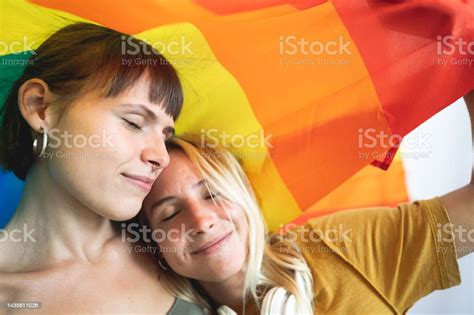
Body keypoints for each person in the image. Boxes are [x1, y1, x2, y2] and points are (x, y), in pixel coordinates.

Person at [141, 93, 474, 314]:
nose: (201, 221)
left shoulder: (342, 248)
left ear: (246, 195)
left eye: (213, 193)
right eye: (169, 215)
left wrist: (464, 55)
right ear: (155, 244)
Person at [0, 22, 184, 313]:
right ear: (39, 107)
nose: (162, 157)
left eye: (165, 136)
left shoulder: (176, 243)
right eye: (134, 122)